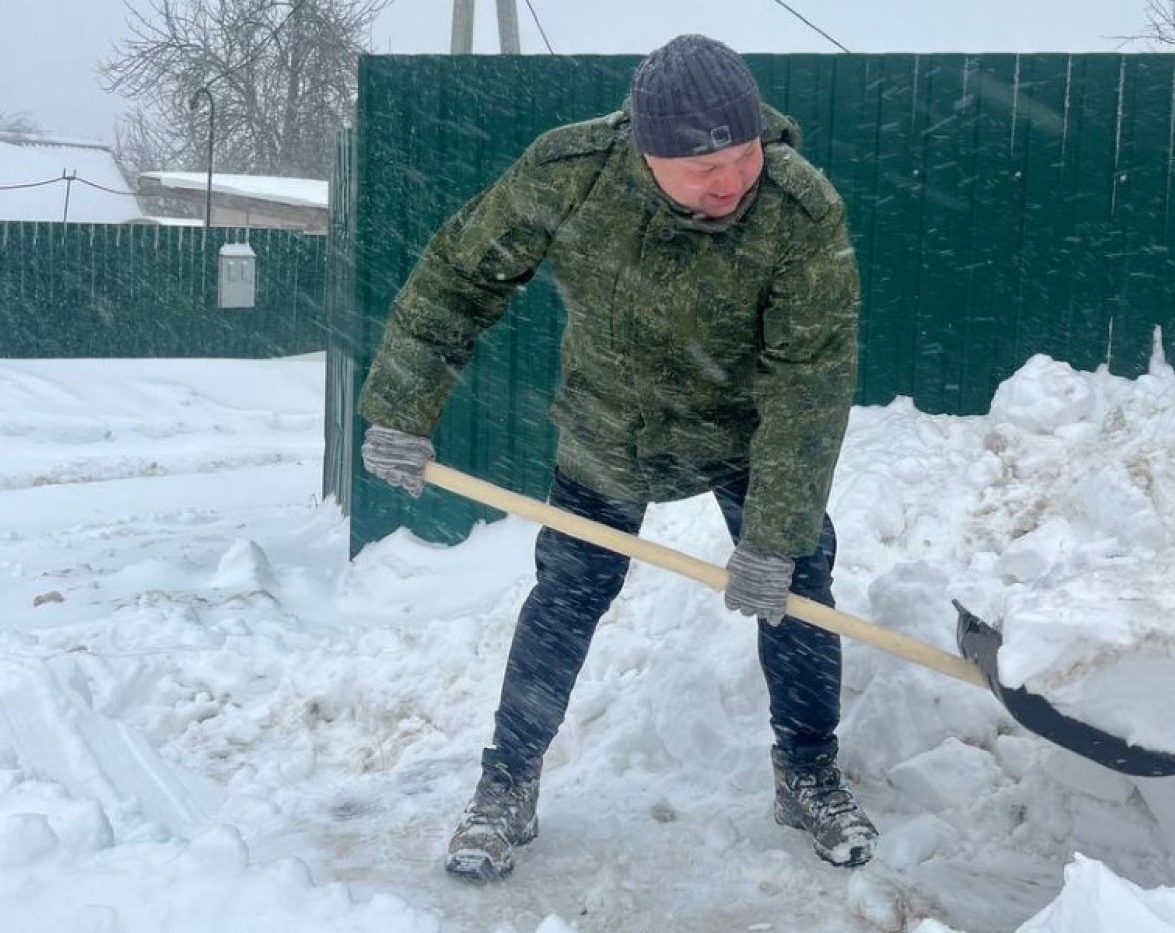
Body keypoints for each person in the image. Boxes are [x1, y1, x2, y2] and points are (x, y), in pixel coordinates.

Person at [357, 33, 876, 880]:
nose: (731, 180)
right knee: (568, 592)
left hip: (746, 434)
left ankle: (808, 770)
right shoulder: (571, 173)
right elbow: (460, 275)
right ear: (645, 150)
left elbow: (809, 379)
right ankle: (507, 781)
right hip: (610, 428)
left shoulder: (800, 211)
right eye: (703, 166)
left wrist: (774, 535)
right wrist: (403, 405)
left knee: (799, 583)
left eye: (744, 154)